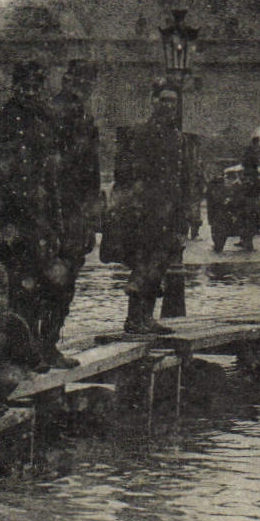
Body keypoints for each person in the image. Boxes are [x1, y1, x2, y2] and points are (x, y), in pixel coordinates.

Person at [0, 59, 77, 371]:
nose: (29, 92)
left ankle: (47, 346)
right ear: (13, 87)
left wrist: (57, 224)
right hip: (7, 220)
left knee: (56, 284)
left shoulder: (49, 123)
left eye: (35, 87)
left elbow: (55, 178)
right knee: (16, 288)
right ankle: (18, 352)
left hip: (40, 219)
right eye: (23, 87)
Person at [101, 80, 186, 334]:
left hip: (168, 209)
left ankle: (145, 318)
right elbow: (125, 172)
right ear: (153, 101)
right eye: (164, 100)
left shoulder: (176, 137)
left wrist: (181, 209)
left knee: (158, 264)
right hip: (144, 210)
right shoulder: (139, 133)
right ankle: (134, 319)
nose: (168, 105)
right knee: (144, 262)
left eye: (172, 101)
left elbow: (181, 176)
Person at [46, 60, 102, 357]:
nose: (83, 88)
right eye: (78, 82)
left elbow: (91, 171)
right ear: (67, 80)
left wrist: (91, 217)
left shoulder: (85, 116)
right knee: (54, 278)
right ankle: (43, 345)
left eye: (88, 84)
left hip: (76, 211)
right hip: (55, 209)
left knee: (67, 278)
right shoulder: (52, 114)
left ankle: (48, 343)